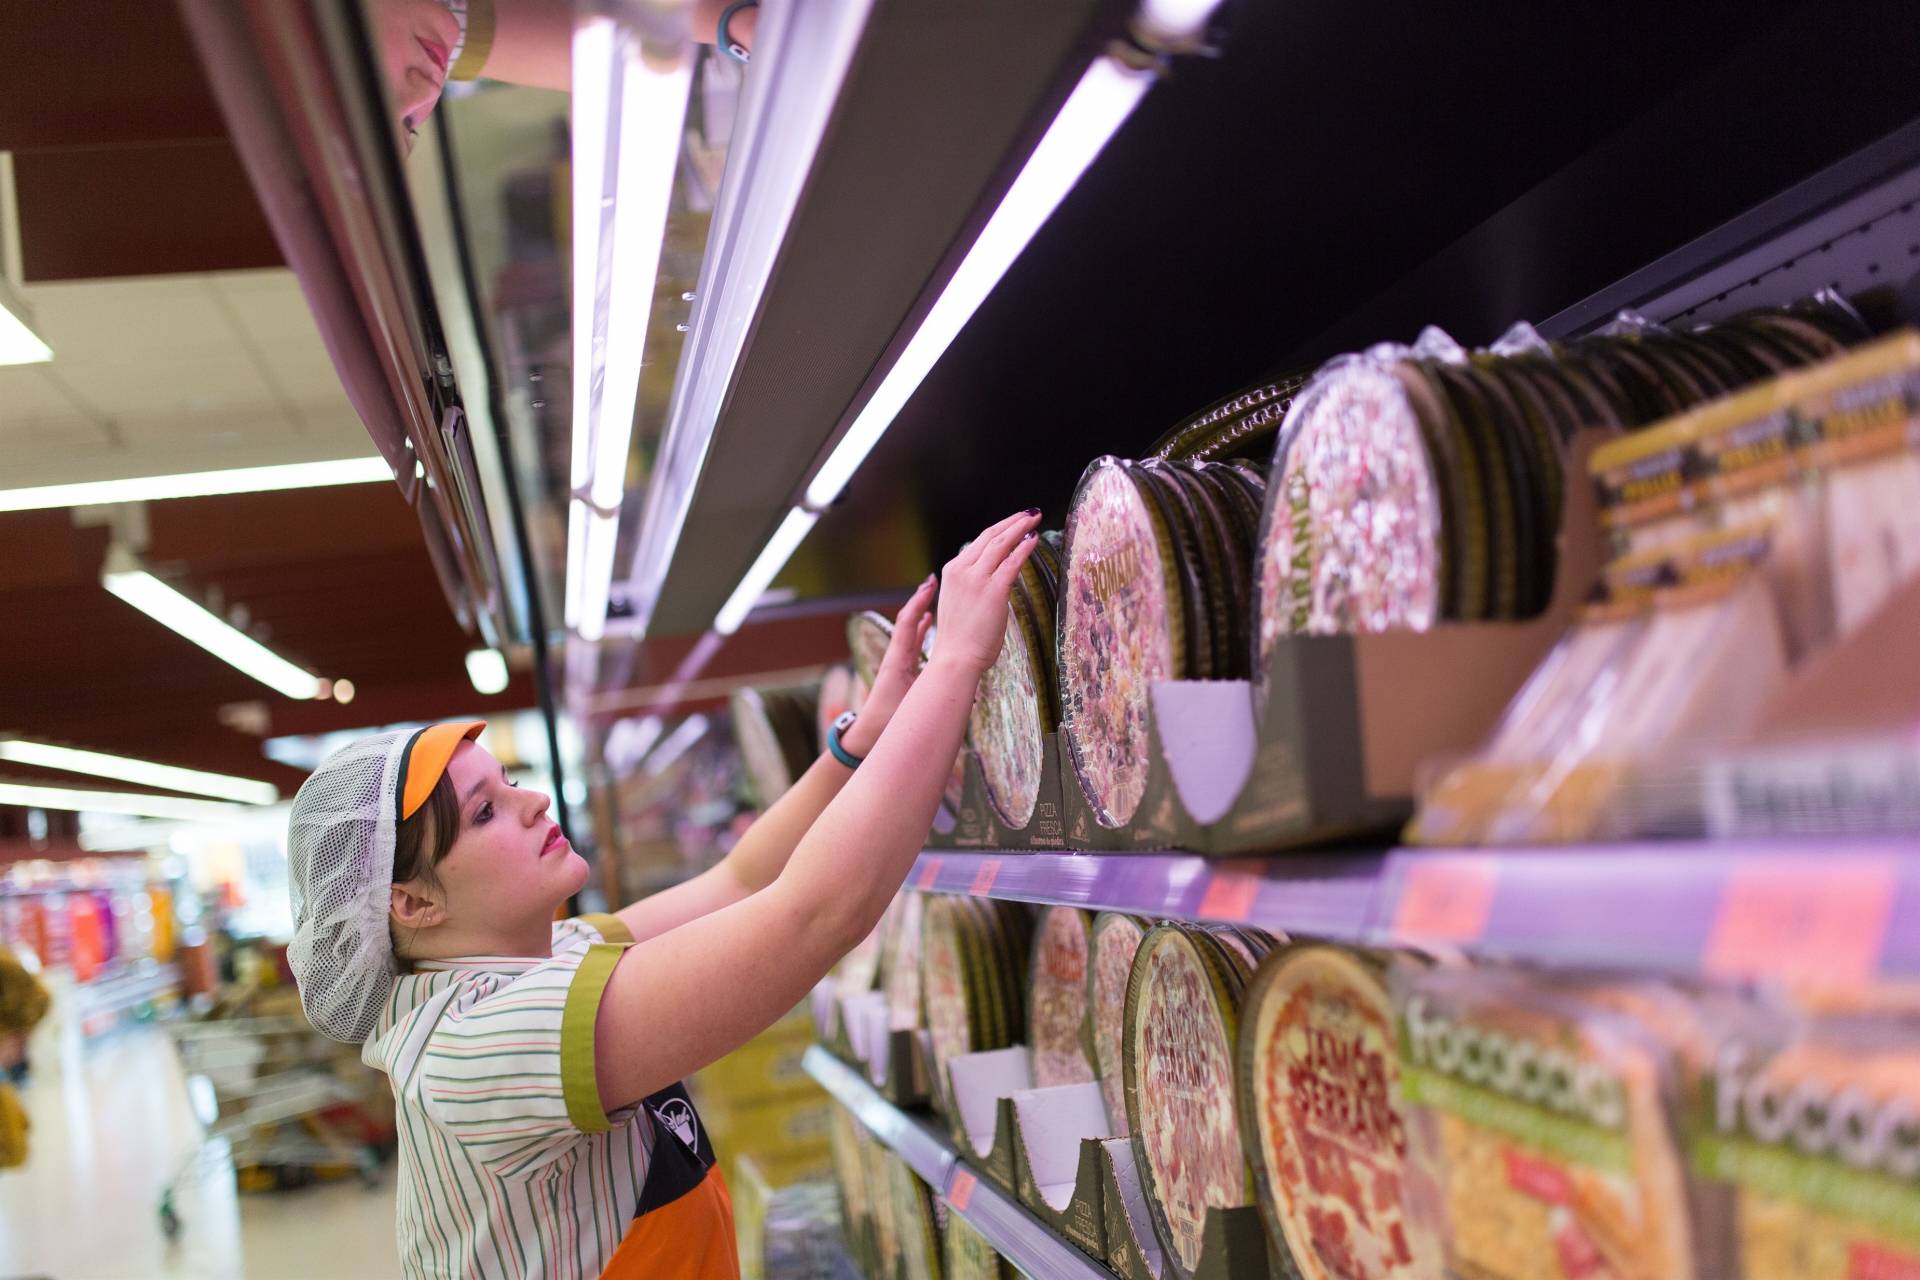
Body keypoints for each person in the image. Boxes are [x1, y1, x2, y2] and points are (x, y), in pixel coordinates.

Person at [285, 509, 1041, 1279]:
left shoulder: (548, 957)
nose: (534, 802)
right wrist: (956, 664)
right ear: (412, 905)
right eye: (485, 813)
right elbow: (812, 917)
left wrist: (862, 736)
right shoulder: (481, 1045)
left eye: (507, 783)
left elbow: (743, 880)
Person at [374, 0, 759, 149]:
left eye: (370, 89)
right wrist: (737, 23)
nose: (426, 91)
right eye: (410, 126)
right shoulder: (434, 35)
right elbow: (627, 53)